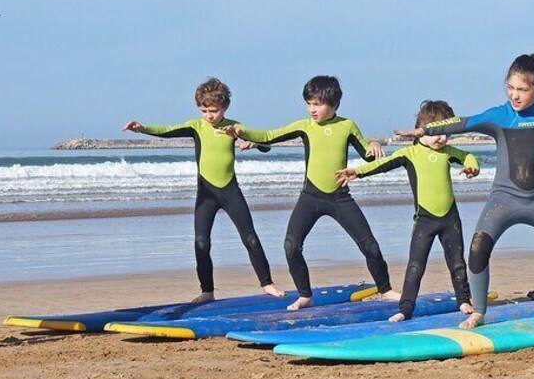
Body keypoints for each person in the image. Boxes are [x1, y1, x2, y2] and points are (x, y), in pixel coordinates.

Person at [396, 53, 534, 328]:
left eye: (522, 90)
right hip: (502, 201)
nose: (514, 95)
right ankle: (478, 312)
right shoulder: (498, 116)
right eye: (511, 87)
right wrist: (424, 130)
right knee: (479, 248)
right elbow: (461, 123)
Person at [220, 75, 400, 310]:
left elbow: (367, 155)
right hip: (311, 197)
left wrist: (375, 146)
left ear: (334, 105)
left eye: (318, 104)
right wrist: (240, 131)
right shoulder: (304, 126)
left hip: (339, 197)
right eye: (309, 103)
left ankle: (385, 289)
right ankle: (305, 295)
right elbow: (267, 137)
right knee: (291, 246)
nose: (312, 109)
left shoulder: (346, 126)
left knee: (370, 246)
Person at [123, 78, 283, 302]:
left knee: (251, 238)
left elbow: (265, 143)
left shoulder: (234, 127)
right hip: (206, 195)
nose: (209, 115)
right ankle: (207, 291)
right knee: (201, 242)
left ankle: (267, 284)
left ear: (224, 108)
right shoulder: (196, 126)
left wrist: (252, 142)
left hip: (230, 191)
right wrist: (142, 129)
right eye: (204, 110)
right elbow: (167, 130)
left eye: (214, 110)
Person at [336, 100, 479, 322]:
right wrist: (357, 172)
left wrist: (473, 167)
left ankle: (463, 300)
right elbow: (382, 164)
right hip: (425, 221)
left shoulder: (448, 152)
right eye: (437, 132)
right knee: (415, 265)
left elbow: (468, 156)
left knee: (457, 262)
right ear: (421, 130)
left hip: (450, 218)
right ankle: (405, 308)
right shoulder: (409, 154)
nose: (442, 138)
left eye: (447, 133)